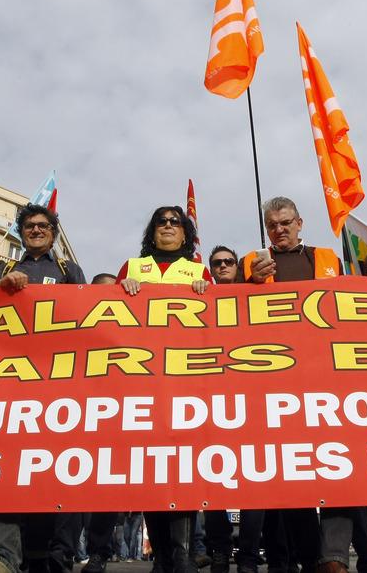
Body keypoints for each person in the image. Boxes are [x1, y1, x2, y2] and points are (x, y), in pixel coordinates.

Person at [0, 204, 85, 573]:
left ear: (53, 232)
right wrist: (4, 291)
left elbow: (89, 319)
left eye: (42, 226)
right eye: (29, 226)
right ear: (22, 233)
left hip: (55, 385)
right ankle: (0, 554)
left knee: (45, 469)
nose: (36, 230)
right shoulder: (5, 270)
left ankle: (41, 552)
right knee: (0, 464)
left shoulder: (69, 271)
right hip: (8, 383)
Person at [238, 197, 341, 573]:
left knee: (336, 468)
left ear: (300, 222)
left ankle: (335, 557)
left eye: (285, 223)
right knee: (295, 475)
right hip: (277, 381)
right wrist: (247, 281)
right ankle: (311, 558)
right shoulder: (252, 261)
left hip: (325, 376)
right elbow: (230, 310)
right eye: (272, 225)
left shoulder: (328, 258)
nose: (279, 230)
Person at [107, 206, 210, 573]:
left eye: (175, 222)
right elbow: (103, 315)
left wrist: (207, 294)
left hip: (184, 384)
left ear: (186, 233)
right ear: (152, 232)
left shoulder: (200, 271)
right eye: (161, 222)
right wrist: (121, 292)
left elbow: (218, 325)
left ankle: (180, 555)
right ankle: (164, 556)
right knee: (150, 468)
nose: (168, 226)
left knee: (181, 466)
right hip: (142, 384)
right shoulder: (131, 269)